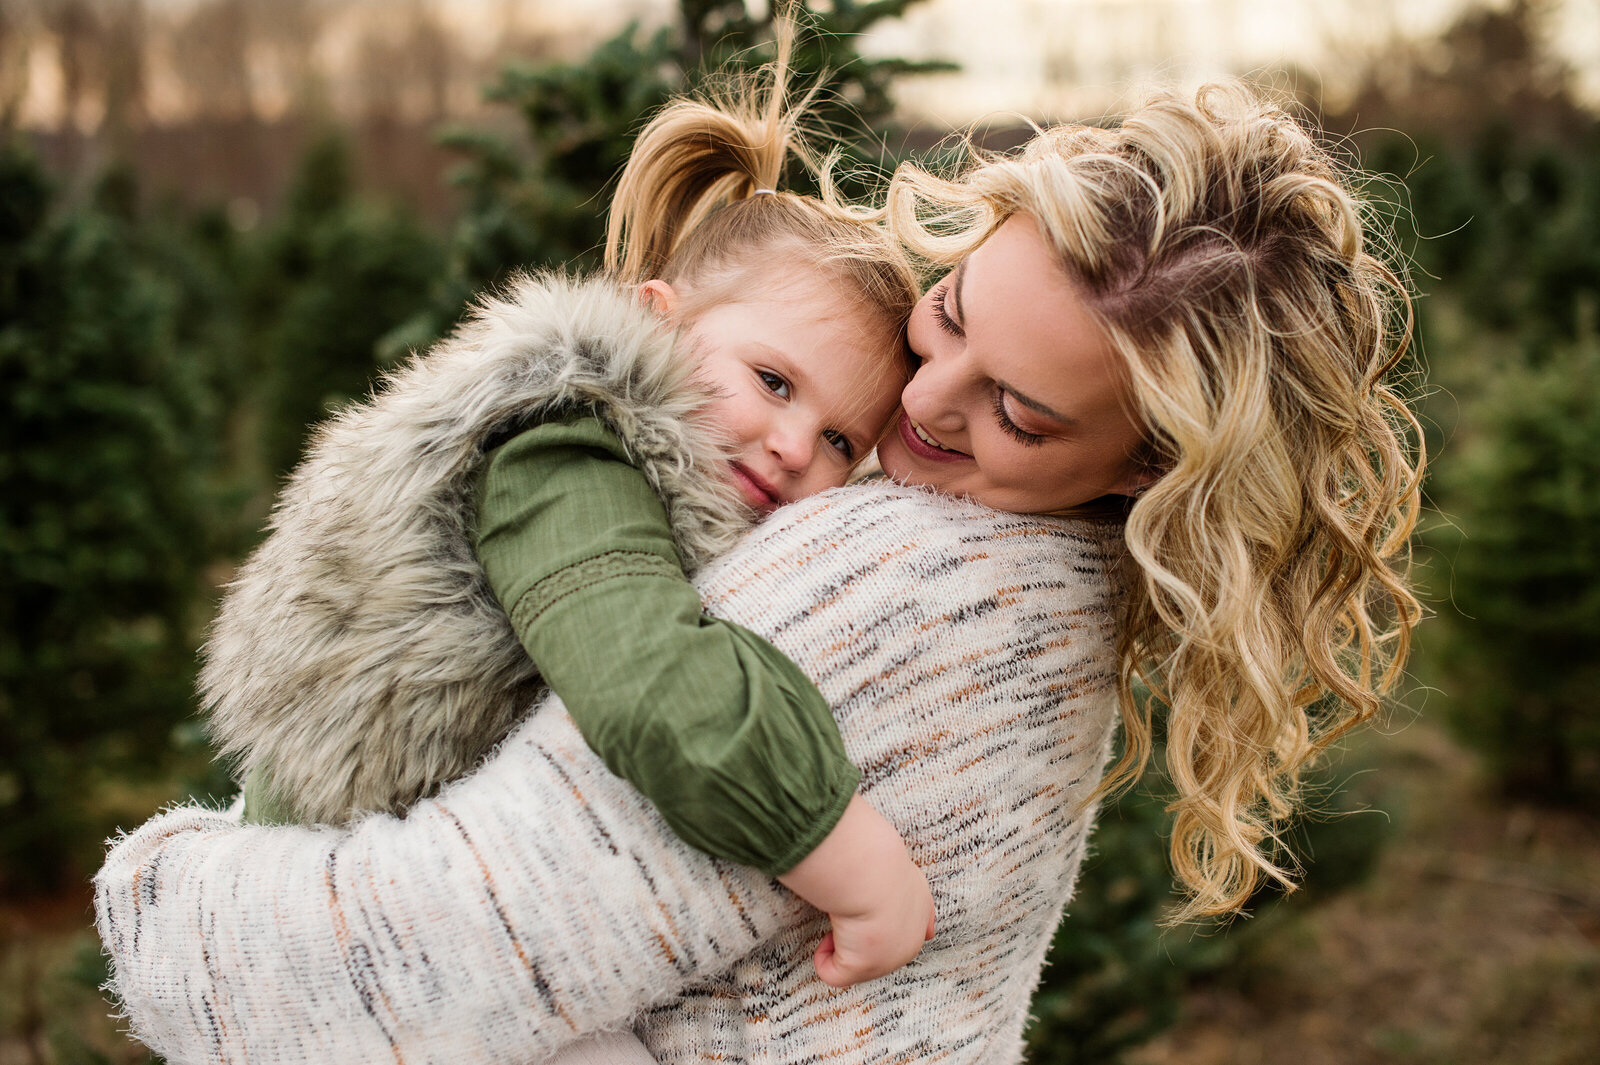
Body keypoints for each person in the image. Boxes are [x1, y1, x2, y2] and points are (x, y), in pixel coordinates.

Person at [94, 76, 1422, 1065]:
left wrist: (156, 888)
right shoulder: (1035, 578)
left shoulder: (896, 582)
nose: (924, 408)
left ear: (1145, 466)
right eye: (947, 316)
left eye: (1019, 413)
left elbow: (404, 970)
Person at [196, 40, 934, 995]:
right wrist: (845, 854)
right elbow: (650, 682)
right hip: (337, 883)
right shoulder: (567, 448)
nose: (797, 444)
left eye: (841, 440)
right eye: (773, 380)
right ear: (658, 323)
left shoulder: (700, 501)